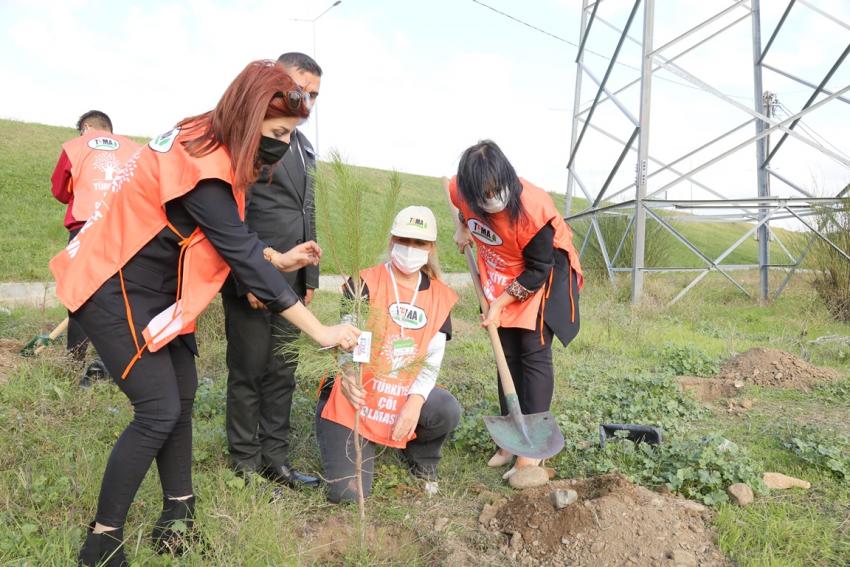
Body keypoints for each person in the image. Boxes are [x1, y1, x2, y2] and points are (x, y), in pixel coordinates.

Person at [49, 60, 360, 567]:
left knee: (184, 396)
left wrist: (278, 257)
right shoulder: (204, 165)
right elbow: (238, 251)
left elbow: (229, 232)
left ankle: (178, 520)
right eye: (279, 132)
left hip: (161, 288)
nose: (281, 145)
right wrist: (321, 331)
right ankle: (101, 543)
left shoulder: (210, 134)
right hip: (115, 282)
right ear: (252, 113)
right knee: (157, 410)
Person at [447, 140, 583, 477]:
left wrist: (501, 303)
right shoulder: (461, 189)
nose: (492, 198)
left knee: (532, 351)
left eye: (498, 190)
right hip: (499, 270)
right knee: (504, 353)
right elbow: (460, 209)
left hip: (542, 271)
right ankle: (510, 438)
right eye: (484, 194)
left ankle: (532, 448)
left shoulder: (535, 209)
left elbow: (537, 269)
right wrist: (461, 227)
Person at [222, 52, 323, 488]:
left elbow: (306, 209)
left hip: (294, 276)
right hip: (254, 269)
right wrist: (248, 274)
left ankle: (275, 459)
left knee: (282, 369)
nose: (309, 100)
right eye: (303, 89)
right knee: (249, 368)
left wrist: (311, 277)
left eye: (316, 95)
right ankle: (244, 462)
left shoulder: (301, 144)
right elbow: (238, 207)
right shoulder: (254, 136)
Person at [316, 206, 462, 503]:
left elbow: (432, 359)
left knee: (444, 408)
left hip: (402, 392)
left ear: (430, 247)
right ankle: (359, 438)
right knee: (348, 495)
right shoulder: (364, 283)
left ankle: (420, 457)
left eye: (418, 243)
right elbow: (346, 340)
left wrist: (415, 403)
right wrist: (347, 377)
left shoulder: (439, 296)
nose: (410, 249)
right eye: (403, 240)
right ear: (392, 240)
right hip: (354, 396)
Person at [50, 111, 140, 380]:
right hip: (126, 230)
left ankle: (74, 364)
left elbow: (60, 191)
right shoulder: (134, 149)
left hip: (86, 228)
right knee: (123, 296)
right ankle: (117, 366)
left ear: (87, 127)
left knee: (79, 296)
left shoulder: (75, 146)